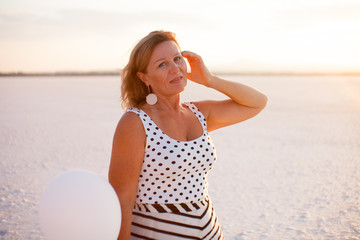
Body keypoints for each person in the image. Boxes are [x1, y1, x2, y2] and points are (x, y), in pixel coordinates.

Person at [108, 30, 268, 240]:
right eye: (162, 64)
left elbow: (257, 102)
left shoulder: (199, 113)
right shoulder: (135, 122)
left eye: (177, 59)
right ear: (144, 77)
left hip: (210, 232)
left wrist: (210, 80)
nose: (175, 69)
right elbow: (122, 199)